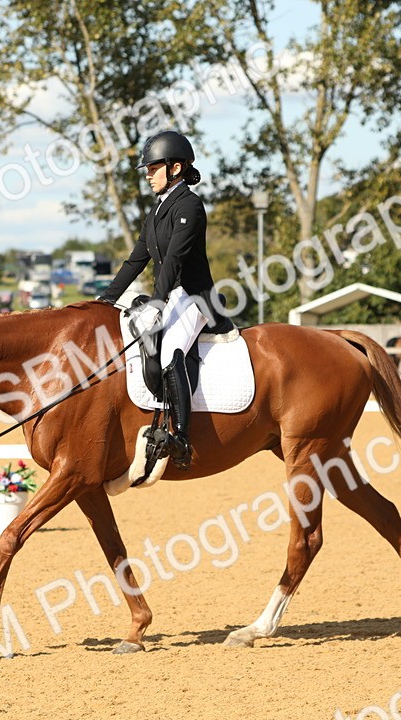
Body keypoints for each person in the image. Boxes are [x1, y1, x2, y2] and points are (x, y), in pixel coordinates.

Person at [97, 130, 232, 470]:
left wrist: (158, 305)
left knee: (171, 352)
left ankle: (183, 438)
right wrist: (102, 302)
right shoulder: (157, 210)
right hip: (173, 295)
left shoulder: (189, 205)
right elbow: (135, 260)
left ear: (175, 168)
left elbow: (173, 261)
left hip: (195, 298)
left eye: (153, 168)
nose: (147, 173)